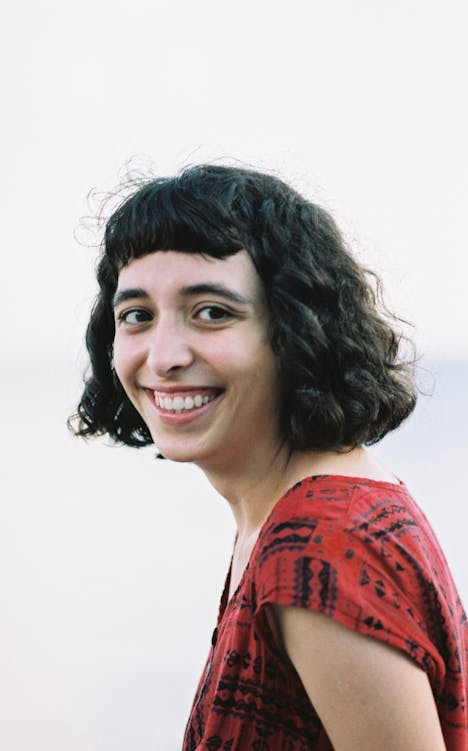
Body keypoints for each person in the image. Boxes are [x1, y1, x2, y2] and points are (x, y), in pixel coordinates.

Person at [70, 164, 467, 750]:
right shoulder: (298, 514)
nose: (163, 355)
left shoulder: (321, 543)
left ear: (296, 330)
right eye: (137, 315)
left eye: (212, 311)